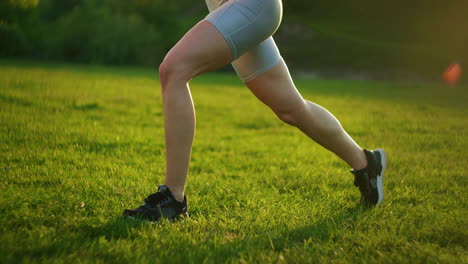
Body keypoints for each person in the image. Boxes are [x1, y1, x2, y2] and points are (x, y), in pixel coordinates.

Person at [123, 0, 387, 222]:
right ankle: (366, 163)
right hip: (232, 11)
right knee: (291, 109)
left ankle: (173, 199)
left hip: (250, 6)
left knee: (174, 69)